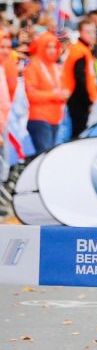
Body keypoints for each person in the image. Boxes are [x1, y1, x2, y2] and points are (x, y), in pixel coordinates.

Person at [24, 32, 68, 154]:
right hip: (39, 118)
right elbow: (31, 95)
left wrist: (64, 94)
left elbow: (63, 89)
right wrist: (55, 95)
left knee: (51, 155)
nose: (52, 50)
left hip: (56, 118)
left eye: (54, 47)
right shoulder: (34, 67)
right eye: (48, 47)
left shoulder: (57, 68)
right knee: (44, 155)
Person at [63, 18, 97, 138]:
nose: (92, 35)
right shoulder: (79, 51)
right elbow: (80, 79)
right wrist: (87, 102)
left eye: (93, 31)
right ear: (80, 33)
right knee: (79, 133)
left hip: (79, 99)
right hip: (78, 100)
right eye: (88, 32)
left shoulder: (84, 50)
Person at [0, 30, 18, 217]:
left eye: (7, 47)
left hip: (5, 123)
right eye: (1, 47)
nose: (5, 51)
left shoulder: (3, 68)